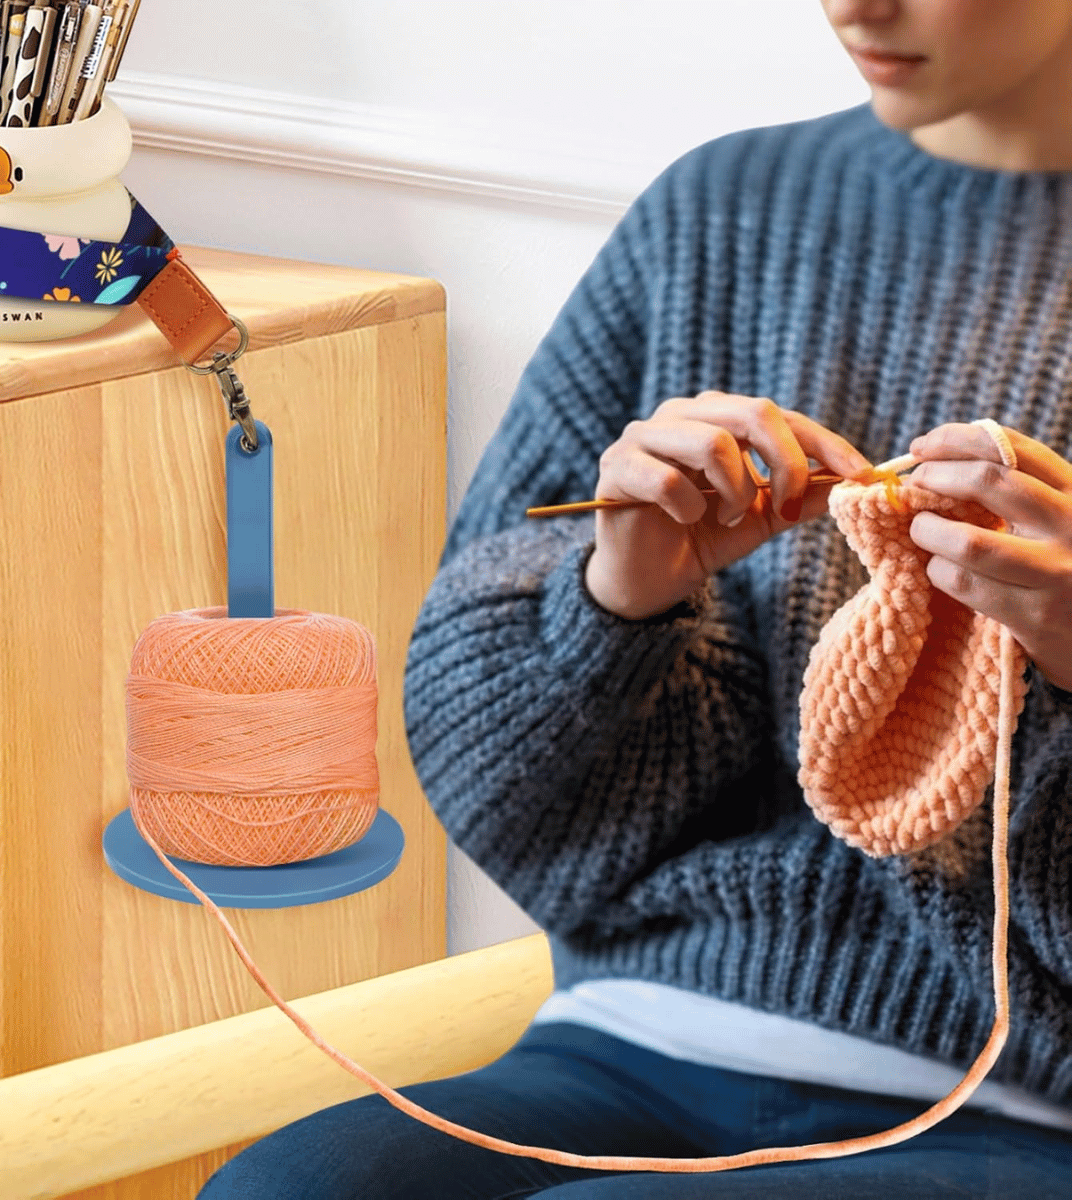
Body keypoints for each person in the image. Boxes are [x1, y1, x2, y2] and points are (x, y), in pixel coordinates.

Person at [197, 2, 1072, 1196]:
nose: (857, 7)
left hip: (1027, 1106)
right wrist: (621, 599)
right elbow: (489, 785)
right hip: (642, 1038)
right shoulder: (724, 208)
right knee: (287, 1189)